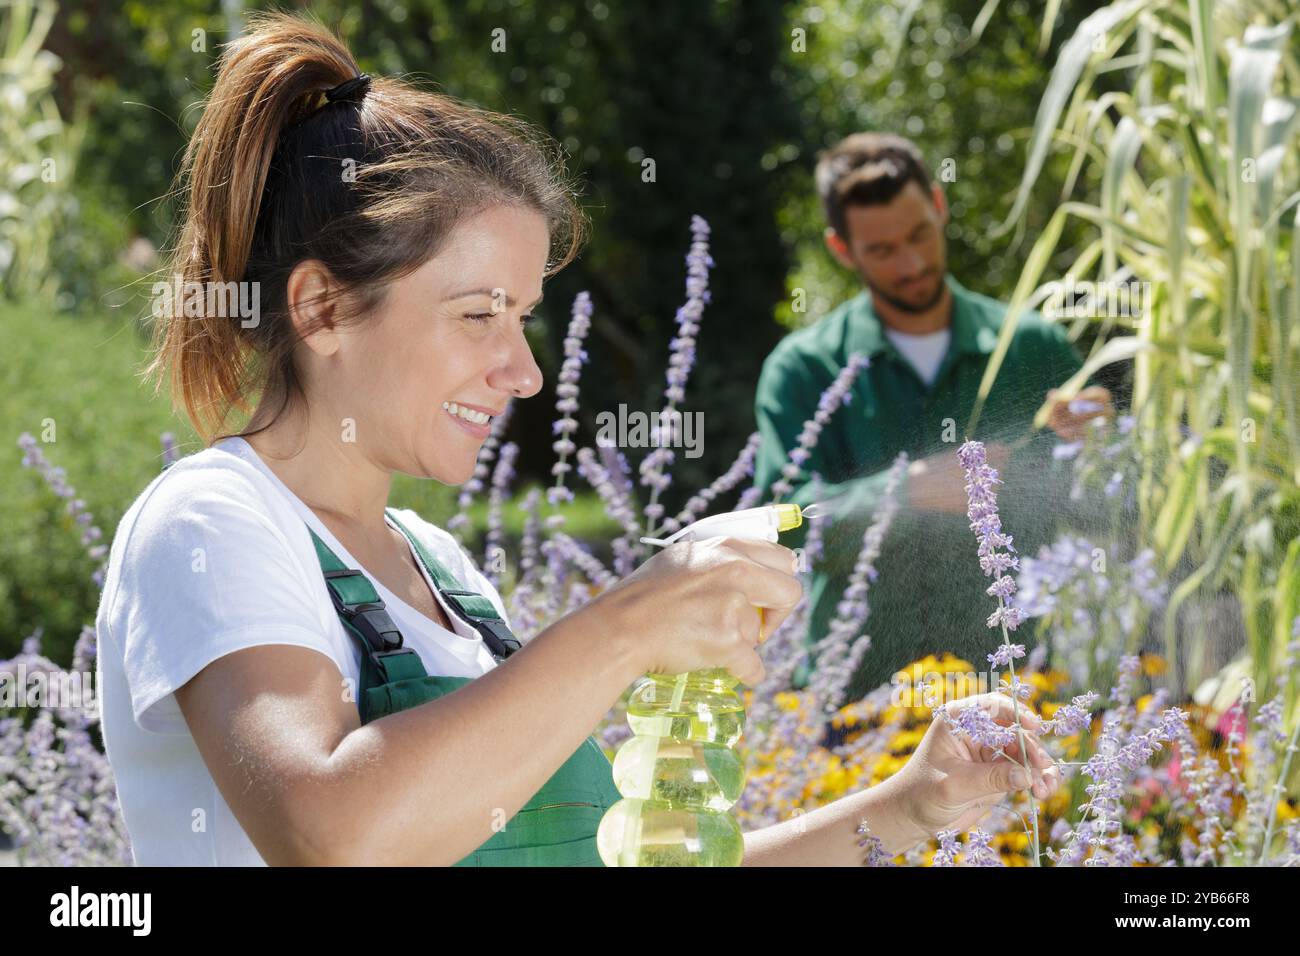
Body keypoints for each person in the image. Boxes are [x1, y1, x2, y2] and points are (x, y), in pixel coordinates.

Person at [95, 14, 1060, 867]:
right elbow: (336, 837)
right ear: (323, 306)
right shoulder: (212, 522)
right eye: (479, 315)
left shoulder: (447, 577)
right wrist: (630, 623)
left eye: (524, 318)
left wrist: (910, 807)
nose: (526, 373)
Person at [753, 132, 1113, 701]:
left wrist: (1101, 448)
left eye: (920, 234)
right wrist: (904, 493)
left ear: (940, 208)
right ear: (842, 250)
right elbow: (776, 529)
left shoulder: (1033, 348)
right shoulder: (803, 370)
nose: (912, 262)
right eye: (883, 250)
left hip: (1015, 697)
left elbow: (1102, 510)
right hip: (856, 704)